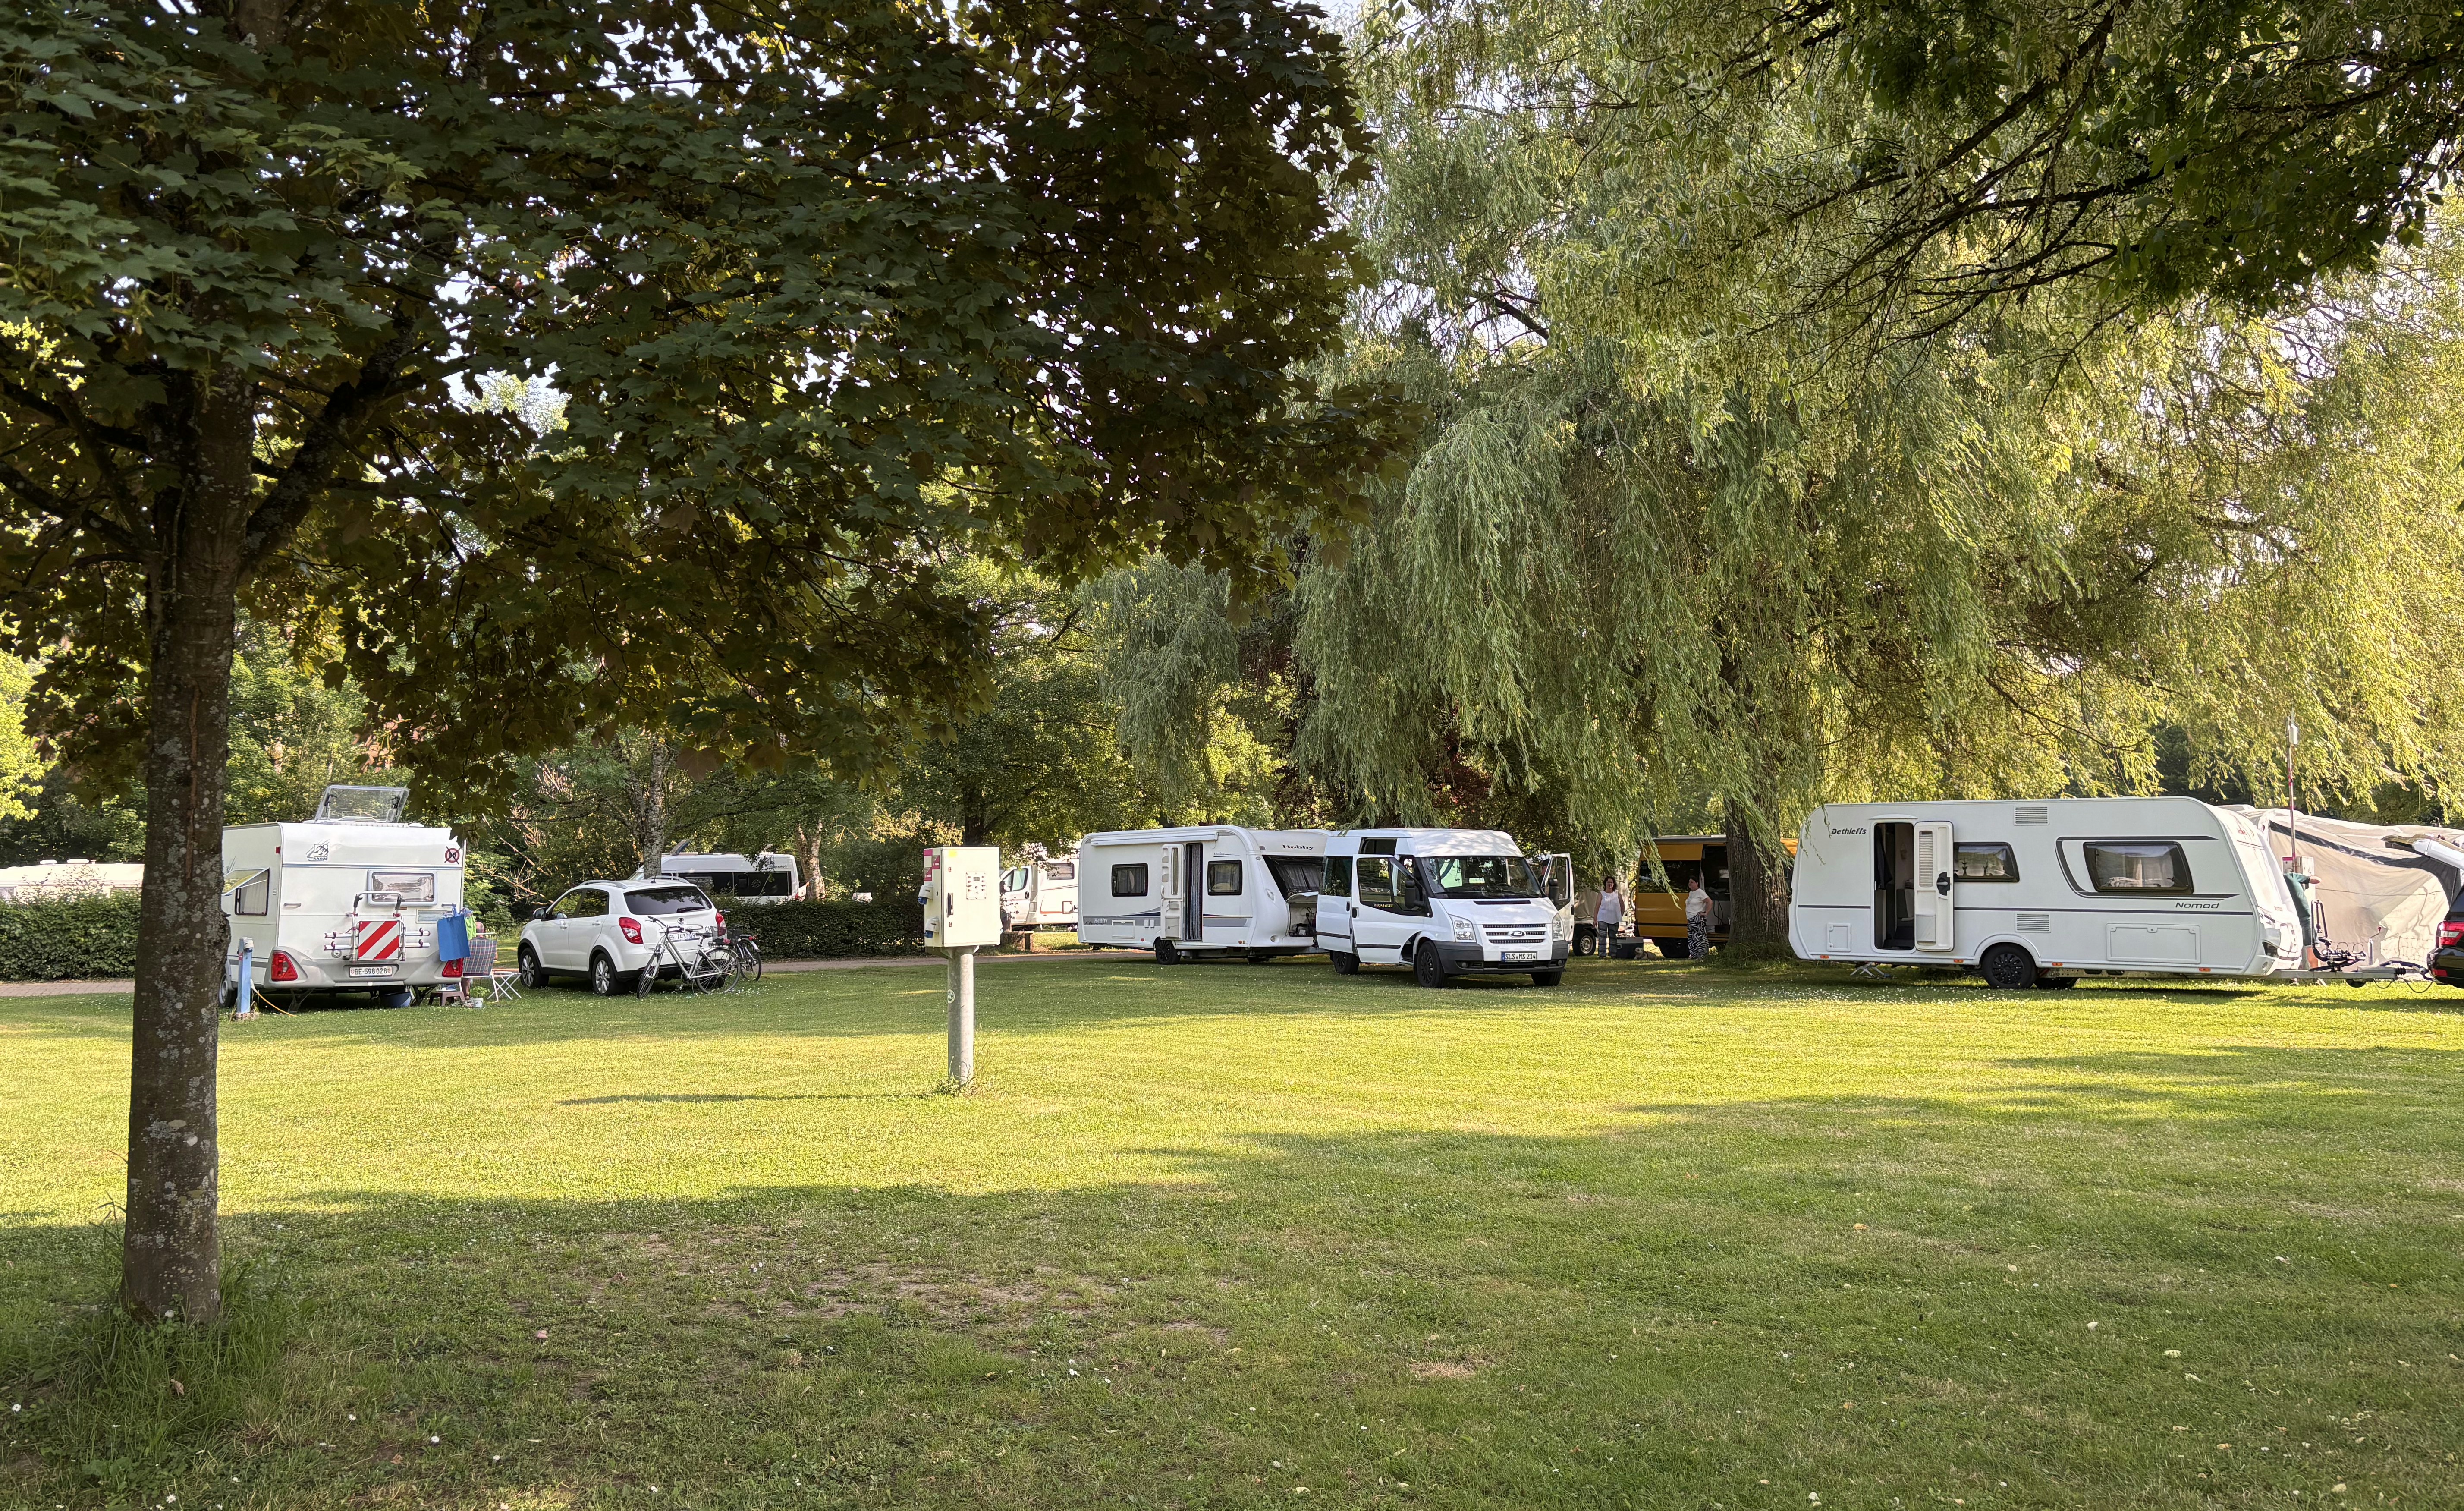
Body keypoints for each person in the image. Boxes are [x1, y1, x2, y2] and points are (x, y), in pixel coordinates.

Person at [1594, 875, 1624, 958]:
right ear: (1605, 884)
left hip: (1614, 919)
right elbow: (1597, 907)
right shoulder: (1602, 894)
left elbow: (1622, 906)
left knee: (1613, 937)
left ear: (1614, 884)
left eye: (1612, 883)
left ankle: (1613, 954)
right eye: (1608, 882)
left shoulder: (1617, 894)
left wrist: (1620, 916)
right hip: (1602, 918)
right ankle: (1602, 954)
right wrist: (1595, 919)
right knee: (1602, 937)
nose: (1610, 884)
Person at [1684, 874, 1713, 960]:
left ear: (1697, 883)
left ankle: (1702, 955)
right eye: (1689, 882)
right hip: (1690, 918)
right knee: (1692, 937)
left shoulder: (1700, 892)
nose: (1690, 884)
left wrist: (1706, 913)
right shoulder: (1691, 893)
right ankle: (1694, 955)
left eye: (1692, 882)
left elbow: (1709, 902)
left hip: (1697, 918)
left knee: (1699, 937)